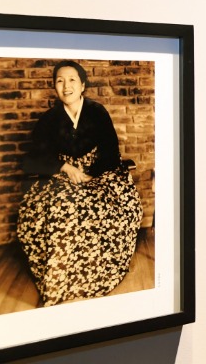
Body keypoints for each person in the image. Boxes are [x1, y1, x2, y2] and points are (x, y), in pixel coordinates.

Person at [16, 60, 142, 306]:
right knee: (58, 211)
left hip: (100, 173)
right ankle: (60, 282)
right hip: (61, 175)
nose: (66, 86)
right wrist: (64, 167)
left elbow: (110, 151)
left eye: (72, 80)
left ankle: (96, 278)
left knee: (107, 208)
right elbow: (32, 159)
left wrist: (91, 174)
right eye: (60, 80)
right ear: (54, 87)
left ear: (82, 85)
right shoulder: (49, 119)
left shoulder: (97, 112)